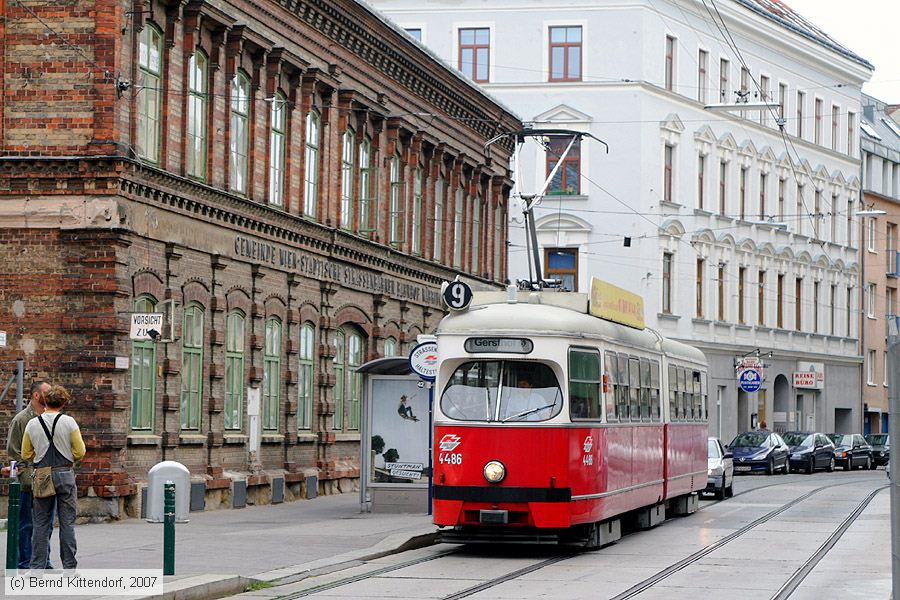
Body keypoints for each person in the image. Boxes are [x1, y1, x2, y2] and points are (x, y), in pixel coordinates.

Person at [22, 384, 85, 570]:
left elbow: (25, 453)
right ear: (64, 402)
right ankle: (69, 568)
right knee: (67, 523)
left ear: (45, 401)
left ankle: (36, 568)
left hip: (42, 475)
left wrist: (39, 456)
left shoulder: (32, 423)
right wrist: (68, 456)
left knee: (40, 523)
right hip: (64, 473)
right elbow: (80, 451)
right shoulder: (69, 422)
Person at [6, 380, 54, 569]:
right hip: (29, 478)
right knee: (26, 525)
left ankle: (44, 561)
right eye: (47, 392)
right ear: (36, 395)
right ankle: (25, 562)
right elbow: (14, 452)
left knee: (46, 524)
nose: (51, 395)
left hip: (48, 476)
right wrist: (27, 477)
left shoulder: (53, 418)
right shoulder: (21, 419)